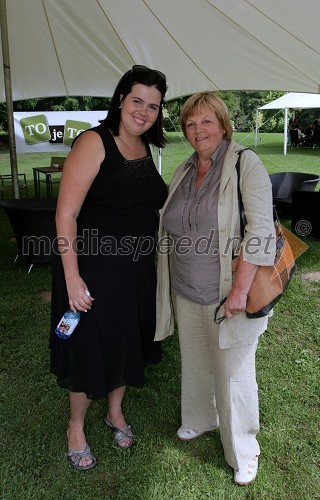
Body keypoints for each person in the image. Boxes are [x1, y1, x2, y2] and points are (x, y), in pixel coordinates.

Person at [50, 65, 168, 470]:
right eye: (137, 100)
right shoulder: (94, 142)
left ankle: (114, 411)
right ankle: (76, 425)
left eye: (153, 105)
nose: (144, 111)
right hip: (94, 269)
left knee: (126, 339)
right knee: (87, 345)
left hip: (136, 271)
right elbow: (65, 214)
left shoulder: (146, 149)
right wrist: (71, 277)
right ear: (120, 99)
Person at [155, 92, 275, 485]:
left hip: (228, 291)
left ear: (223, 125)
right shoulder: (186, 169)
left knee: (234, 372)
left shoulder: (245, 163)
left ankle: (244, 449)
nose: (197, 130)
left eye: (206, 121)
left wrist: (241, 291)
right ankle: (200, 418)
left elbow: (259, 232)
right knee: (196, 359)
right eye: (190, 124)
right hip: (187, 289)